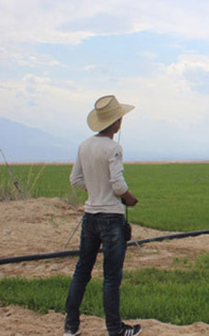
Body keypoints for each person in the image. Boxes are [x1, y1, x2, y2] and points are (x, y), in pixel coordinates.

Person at [64, 95, 142, 336]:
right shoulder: (113, 148)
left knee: (82, 270)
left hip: (89, 217)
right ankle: (115, 329)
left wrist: (95, 189)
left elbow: (75, 179)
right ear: (116, 122)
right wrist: (129, 197)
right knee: (111, 277)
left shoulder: (84, 146)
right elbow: (118, 185)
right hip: (111, 219)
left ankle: (71, 326)